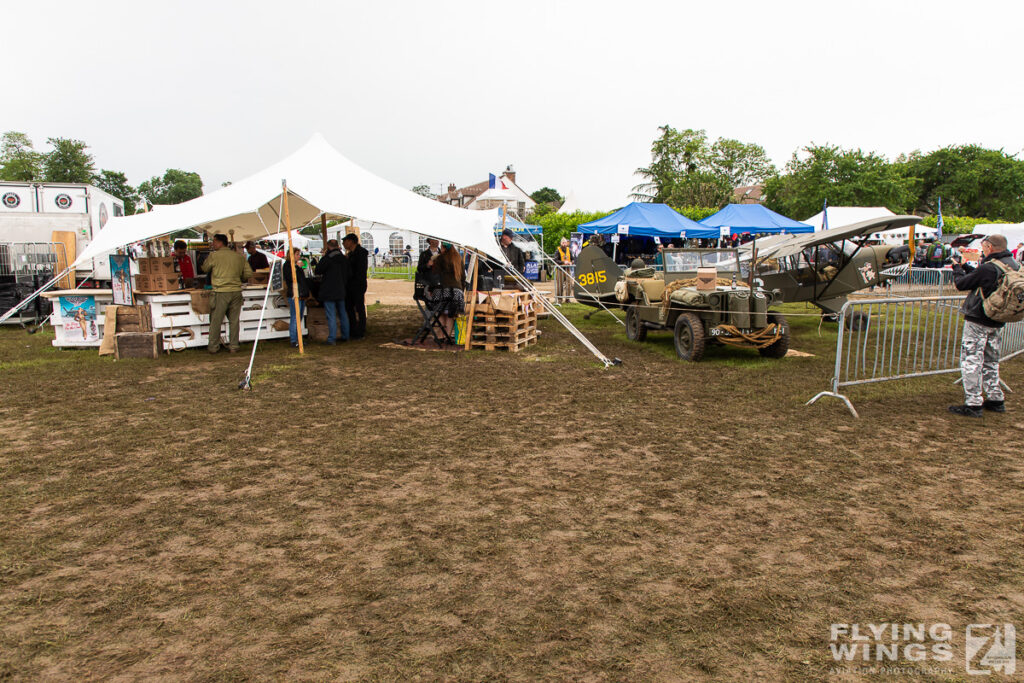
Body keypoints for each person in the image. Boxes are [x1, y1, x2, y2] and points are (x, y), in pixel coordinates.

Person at [949, 234, 1020, 417]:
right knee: (991, 360)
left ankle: (973, 403)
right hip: (998, 319)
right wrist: (965, 266)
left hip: (978, 319)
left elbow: (961, 284)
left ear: (989, 247)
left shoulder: (988, 267)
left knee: (971, 360)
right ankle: (996, 398)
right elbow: (981, 277)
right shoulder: (1014, 265)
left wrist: (956, 269)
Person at [201, 233, 252, 353]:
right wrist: (239, 279)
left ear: (220, 242)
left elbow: (205, 268)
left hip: (220, 291)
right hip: (236, 291)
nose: (212, 244)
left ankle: (213, 346)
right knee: (234, 321)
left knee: (216, 320)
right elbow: (248, 273)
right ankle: (234, 345)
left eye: (214, 241)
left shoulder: (214, 256)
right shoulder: (239, 256)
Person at [314, 239, 350, 345]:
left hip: (329, 290)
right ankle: (346, 335)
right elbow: (349, 273)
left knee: (331, 315)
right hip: (341, 289)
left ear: (328, 247)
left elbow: (318, 270)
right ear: (338, 246)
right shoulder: (344, 258)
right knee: (343, 313)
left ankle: (332, 338)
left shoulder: (327, 258)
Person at [430, 242, 465, 340]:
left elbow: (435, 275)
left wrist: (431, 289)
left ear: (444, 248)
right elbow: (463, 277)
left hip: (442, 290)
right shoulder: (458, 258)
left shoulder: (440, 258)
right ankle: (447, 335)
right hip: (457, 292)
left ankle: (441, 335)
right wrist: (462, 289)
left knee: (440, 312)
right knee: (451, 314)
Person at [281, 247, 309, 347]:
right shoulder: (287, 265)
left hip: (301, 293)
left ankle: (298, 338)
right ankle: (294, 339)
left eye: (299, 254)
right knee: (295, 317)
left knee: (299, 317)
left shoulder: (295, 265)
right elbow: (292, 278)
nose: (299, 256)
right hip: (294, 293)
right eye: (297, 254)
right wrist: (297, 268)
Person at [343, 233, 368, 339]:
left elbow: (358, 270)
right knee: (349, 307)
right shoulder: (351, 254)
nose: (344, 244)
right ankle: (353, 329)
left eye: (345, 241)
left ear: (351, 241)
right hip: (350, 285)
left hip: (357, 284)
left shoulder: (360, 253)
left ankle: (361, 330)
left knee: (359, 308)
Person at [555, 237, 572, 302]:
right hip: (560, 270)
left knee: (569, 284)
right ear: (561, 243)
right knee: (560, 285)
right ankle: (559, 299)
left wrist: (571, 262)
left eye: (565, 243)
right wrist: (563, 262)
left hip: (567, 269)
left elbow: (573, 259)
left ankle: (567, 299)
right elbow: (555, 260)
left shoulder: (569, 250)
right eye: (563, 243)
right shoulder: (557, 251)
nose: (564, 244)